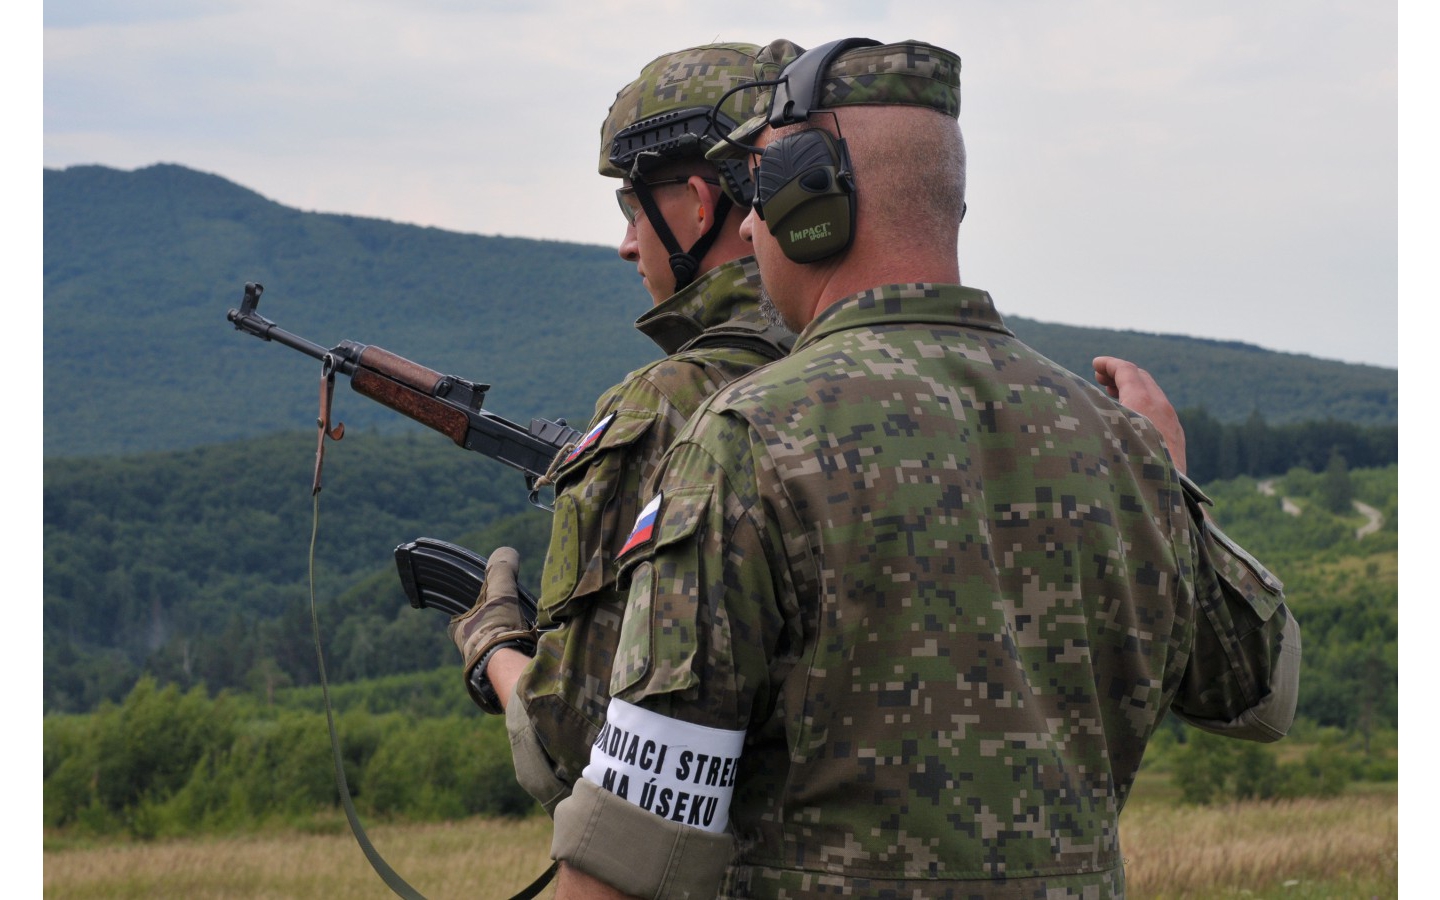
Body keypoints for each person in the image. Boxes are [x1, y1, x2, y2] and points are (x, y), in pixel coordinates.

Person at [546, 38, 1301, 899]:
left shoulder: (749, 438)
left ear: (811, 202)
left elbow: (634, 842)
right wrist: (1170, 486)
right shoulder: (1122, 443)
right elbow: (1259, 692)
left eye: (759, 195)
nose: (749, 225)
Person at [446, 42, 796, 818]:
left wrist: (493, 646)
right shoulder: (892, 380)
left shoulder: (663, 403)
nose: (628, 242)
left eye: (634, 207)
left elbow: (570, 745)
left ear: (701, 208)